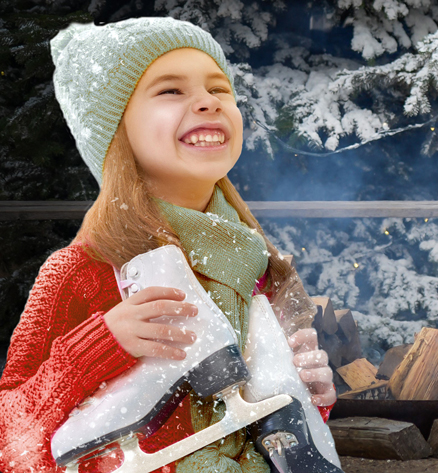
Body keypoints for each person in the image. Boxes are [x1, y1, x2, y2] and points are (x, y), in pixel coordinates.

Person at [0, 17, 336, 472]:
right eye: (171, 90)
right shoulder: (83, 270)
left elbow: (271, 436)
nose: (206, 102)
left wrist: (310, 398)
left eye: (220, 89)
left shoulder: (260, 266)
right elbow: (10, 434)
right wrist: (100, 345)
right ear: (117, 132)